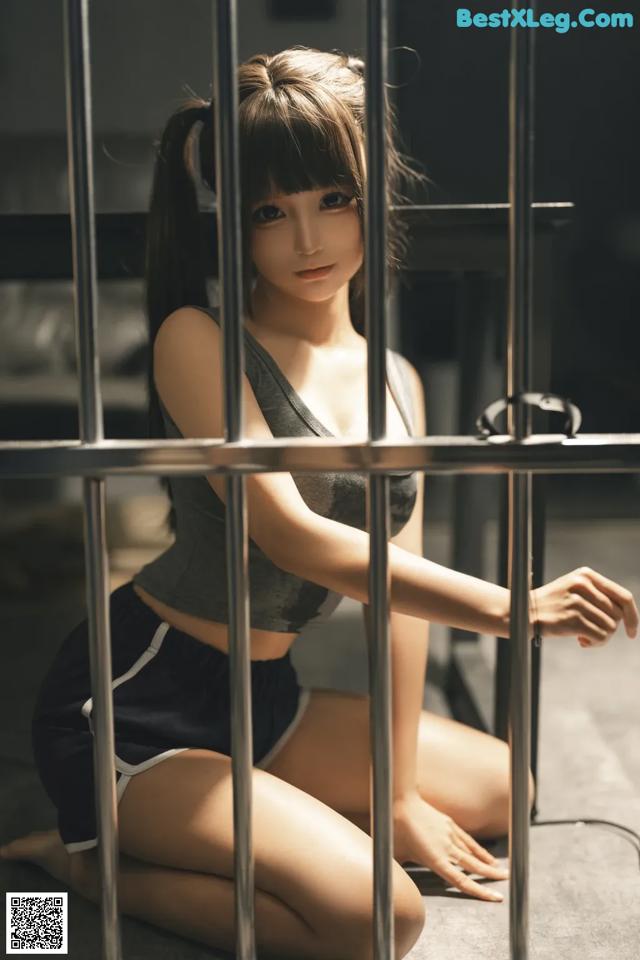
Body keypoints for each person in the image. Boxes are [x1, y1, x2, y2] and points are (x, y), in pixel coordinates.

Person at [1, 46, 637, 960]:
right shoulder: (200, 337)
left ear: (372, 192)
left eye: (332, 200)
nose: (308, 240)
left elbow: (397, 590)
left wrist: (402, 791)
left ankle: (249, 820)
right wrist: (513, 609)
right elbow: (292, 538)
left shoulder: (396, 377)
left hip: (272, 698)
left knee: (509, 787)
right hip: (135, 706)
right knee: (382, 921)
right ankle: (80, 866)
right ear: (231, 224)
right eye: (270, 213)